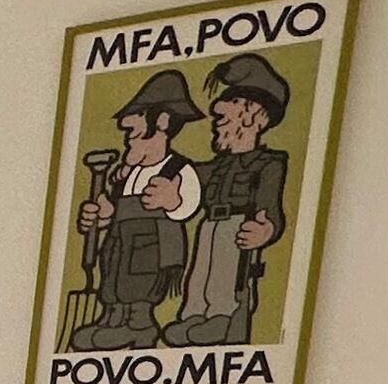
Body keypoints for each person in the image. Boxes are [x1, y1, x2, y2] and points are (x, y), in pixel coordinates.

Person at [169, 50, 291, 349]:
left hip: (237, 226)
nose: (217, 120)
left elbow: (270, 205)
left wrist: (266, 230)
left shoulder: (267, 163)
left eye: (230, 108)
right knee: (199, 275)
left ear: (253, 115)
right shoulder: (215, 166)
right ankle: (193, 317)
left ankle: (222, 318)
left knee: (225, 275)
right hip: (209, 223)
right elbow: (187, 176)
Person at [70, 69, 201, 348]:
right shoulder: (126, 174)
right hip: (120, 239)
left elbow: (188, 206)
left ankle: (139, 324)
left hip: (151, 243)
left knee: (139, 281)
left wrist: (172, 200)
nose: (128, 140)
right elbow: (112, 206)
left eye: (134, 133)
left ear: (163, 122)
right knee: (113, 272)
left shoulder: (178, 168)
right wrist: (98, 216)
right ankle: (112, 318)